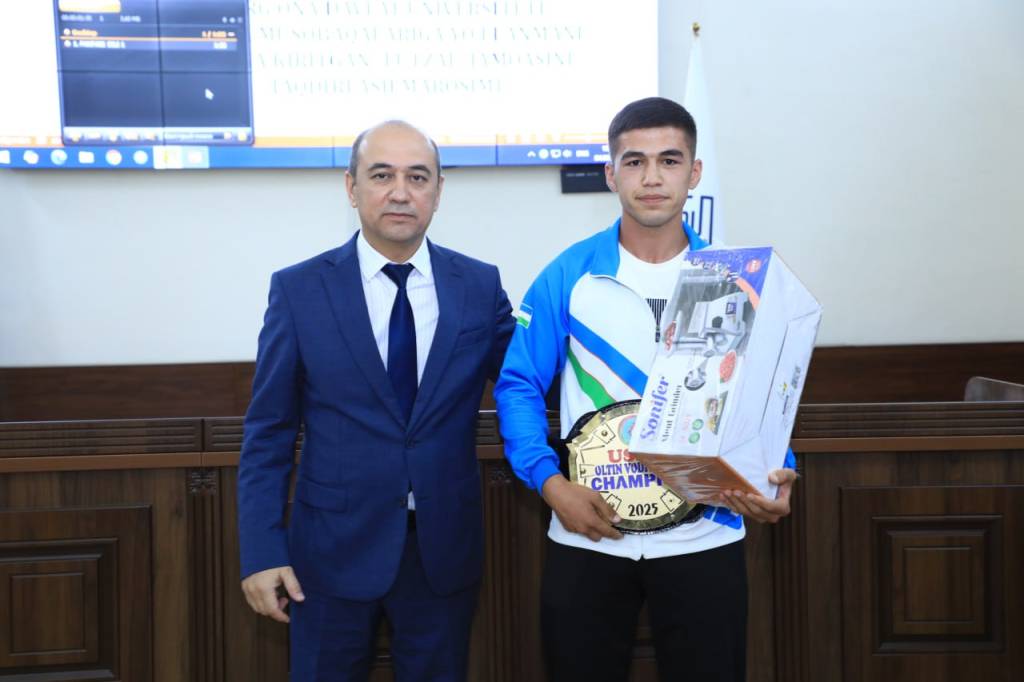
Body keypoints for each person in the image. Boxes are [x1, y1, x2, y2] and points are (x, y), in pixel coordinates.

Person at [494, 97, 798, 682]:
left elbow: (764, 398)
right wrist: (550, 485)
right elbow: (518, 386)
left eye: (669, 160)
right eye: (634, 162)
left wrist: (777, 472)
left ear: (694, 172)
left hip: (704, 535)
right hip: (588, 534)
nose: (652, 177)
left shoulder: (734, 279)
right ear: (611, 174)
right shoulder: (569, 274)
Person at [237, 120, 515, 682]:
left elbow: (526, 383)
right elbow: (268, 431)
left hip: (442, 553)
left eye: (418, 177)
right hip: (328, 555)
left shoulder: (478, 285)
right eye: (382, 175)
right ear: (352, 187)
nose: (400, 192)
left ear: (438, 190)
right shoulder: (299, 290)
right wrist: (262, 552)